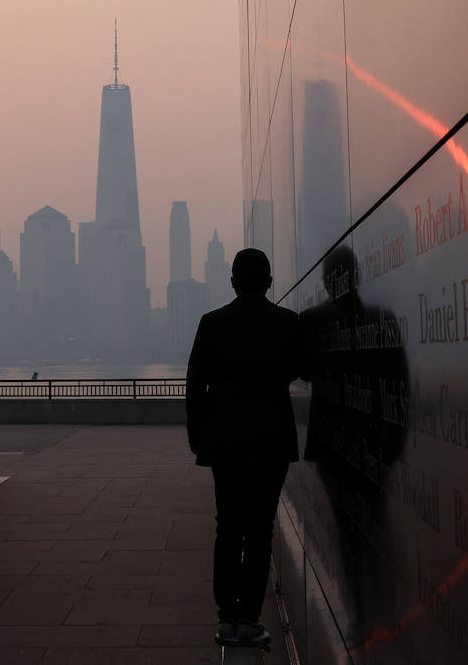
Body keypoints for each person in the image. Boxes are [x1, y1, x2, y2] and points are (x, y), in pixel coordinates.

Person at [185, 248, 303, 649]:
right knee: (260, 529)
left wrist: (198, 437)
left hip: (226, 443)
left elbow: (194, 386)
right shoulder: (288, 324)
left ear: (232, 281)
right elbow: (302, 370)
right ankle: (249, 617)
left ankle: (227, 617)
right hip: (271, 441)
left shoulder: (212, 324)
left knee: (228, 527)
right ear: (270, 282)